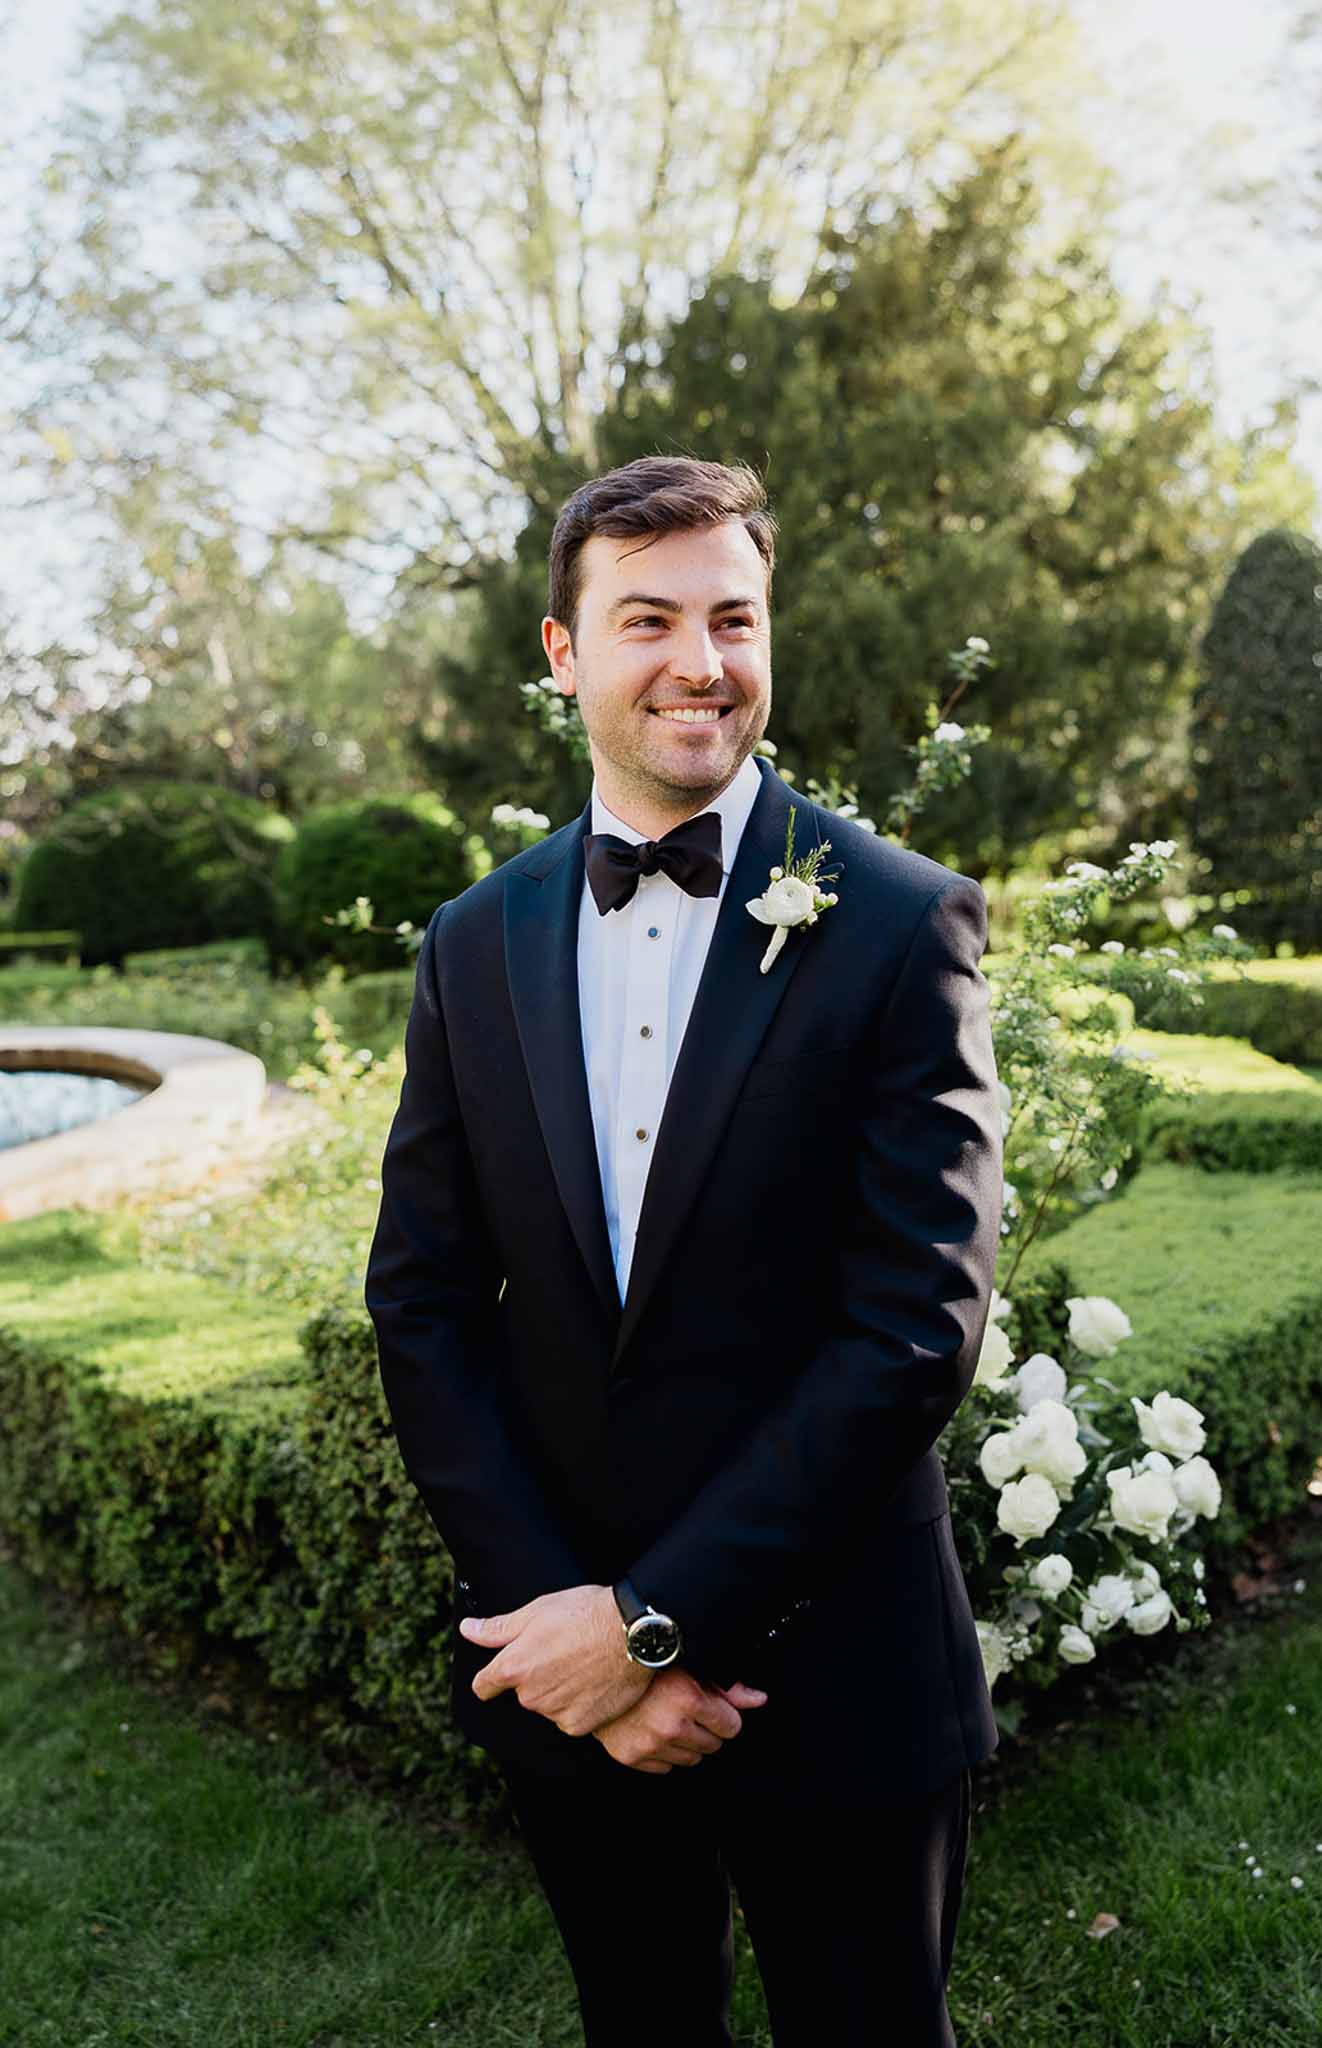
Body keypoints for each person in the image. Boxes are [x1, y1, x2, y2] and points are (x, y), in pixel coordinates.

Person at [364, 454, 1004, 2046]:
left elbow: (916, 1320)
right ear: (562, 651)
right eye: (645, 619)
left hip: (837, 1661)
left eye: (733, 617)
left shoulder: (897, 919)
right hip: (564, 1677)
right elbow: (426, 1302)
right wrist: (571, 1635)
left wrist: (661, 1622)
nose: (700, 663)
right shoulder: (472, 942)